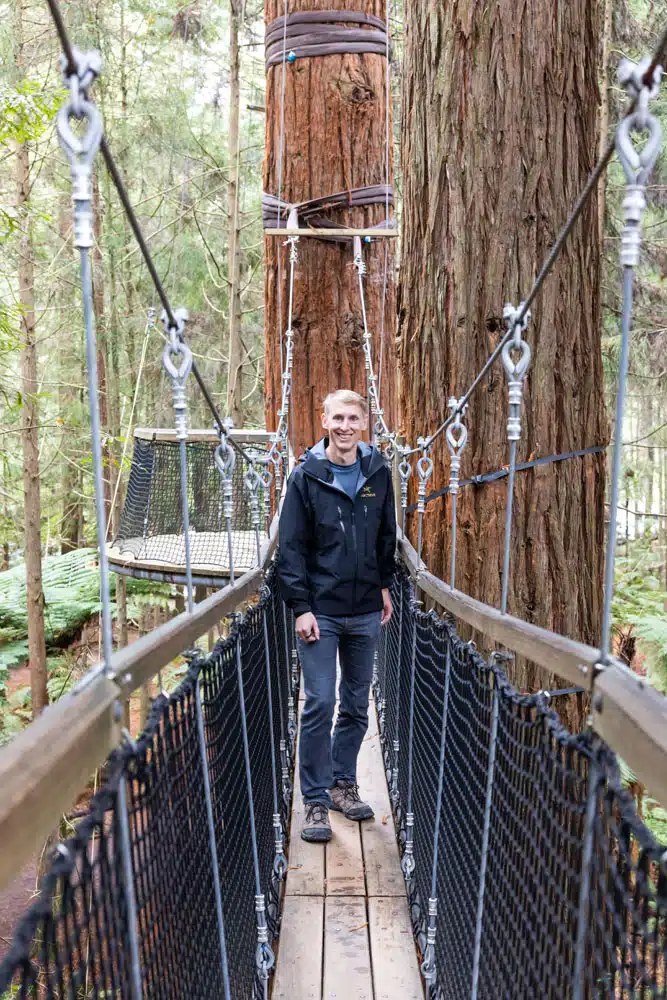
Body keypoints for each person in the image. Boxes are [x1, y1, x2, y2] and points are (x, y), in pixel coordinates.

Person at [276, 389, 397, 842]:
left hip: (365, 608)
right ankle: (314, 800)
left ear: (364, 424)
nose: (345, 426)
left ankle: (342, 784)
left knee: (356, 704)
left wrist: (384, 584)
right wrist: (301, 607)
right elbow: (290, 547)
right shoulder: (305, 476)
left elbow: (386, 533)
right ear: (324, 421)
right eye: (338, 418)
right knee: (320, 702)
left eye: (353, 419)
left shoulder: (378, 471)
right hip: (320, 611)